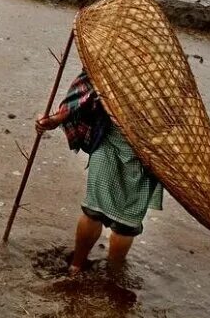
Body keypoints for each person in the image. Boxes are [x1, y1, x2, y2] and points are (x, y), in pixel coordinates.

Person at [35, 70, 163, 274]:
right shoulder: (168, 80)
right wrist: (56, 119)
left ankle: (77, 267)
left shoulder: (112, 63)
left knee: (96, 211)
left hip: (121, 147)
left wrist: (57, 119)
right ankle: (109, 276)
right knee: (123, 222)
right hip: (142, 154)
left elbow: (83, 95)